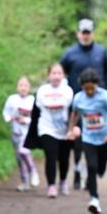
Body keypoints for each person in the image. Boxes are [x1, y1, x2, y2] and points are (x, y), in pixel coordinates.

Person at [59, 18, 107, 191]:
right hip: (78, 103)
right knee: (78, 140)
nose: (85, 36)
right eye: (83, 32)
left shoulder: (101, 51)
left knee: (99, 138)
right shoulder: (69, 54)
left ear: (93, 33)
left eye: (88, 32)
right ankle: (77, 172)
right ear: (78, 34)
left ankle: (94, 171)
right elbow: (60, 73)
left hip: (99, 104)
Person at [67, 68, 107, 214]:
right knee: (91, 166)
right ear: (82, 87)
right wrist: (71, 129)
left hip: (105, 139)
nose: (90, 91)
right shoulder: (78, 98)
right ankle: (94, 200)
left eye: (92, 88)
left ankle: (99, 171)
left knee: (100, 168)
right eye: (87, 89)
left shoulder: (105, 97)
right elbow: (74, 113)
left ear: (96, 85)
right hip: (88, 138)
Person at [31, 63, 74, 198]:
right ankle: (51, 186)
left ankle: (63, 181)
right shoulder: (42, 90)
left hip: (64, 129)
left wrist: (72, 129)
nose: (56, 76)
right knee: (50, 156)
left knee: (64, 158)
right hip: (46, 127)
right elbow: (42, 106)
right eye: (53, 73)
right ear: (48, 75)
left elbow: (69, 107)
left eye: (59, 73)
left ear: (63, 75)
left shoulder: (68, 90)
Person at [2, 76, 38, 191]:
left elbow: (36, 118)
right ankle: (25, 182)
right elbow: (5, 112)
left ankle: (33, 172)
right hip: (15, 132)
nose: (23, 88)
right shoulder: (12, 99)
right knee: (19, 158)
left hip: (27, 133)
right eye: (21, 85)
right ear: (17, 87)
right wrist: (9, 118)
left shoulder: (32, 100)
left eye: (26, 85)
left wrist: (26, 120)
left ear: (29, 88)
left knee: (24, 151)